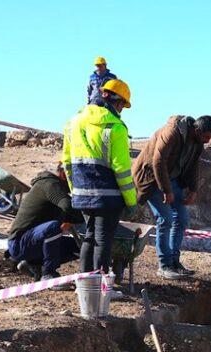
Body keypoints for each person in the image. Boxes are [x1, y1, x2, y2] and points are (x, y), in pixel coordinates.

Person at [62, 78, 136, 275]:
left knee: (89, 236)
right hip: (109, 197)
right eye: (122, 105)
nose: (122, 110)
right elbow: (121, 170)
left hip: (82, 194)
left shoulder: (73, 123)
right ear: (118, 102)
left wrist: (75, 191)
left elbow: (67, 162)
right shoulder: (115, 128)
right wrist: (131, 201)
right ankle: (100, 288)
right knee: (104, 240)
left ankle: (85, 283)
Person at [133, 115, 211, 280]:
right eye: (207, 137)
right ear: (197, 130)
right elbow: (158, 162)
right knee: (165, 220)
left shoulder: (197, 142)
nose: (207, 141)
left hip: (173, 179)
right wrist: (166, 190)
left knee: (182, 219)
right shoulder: (172, 132)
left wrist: (193, 189)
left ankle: (174, 262)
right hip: (153, 179)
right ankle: (164, 265)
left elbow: (194, 165)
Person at [6, 163, 83, 283]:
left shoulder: (57, 189)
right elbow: (67, 206)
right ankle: (48, 273)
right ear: (64, 174)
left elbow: (70, 215)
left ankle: (35, 265)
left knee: (80, 247)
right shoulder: (50, 184)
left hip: (32, 240)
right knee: (53, 227)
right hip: (19, 243)